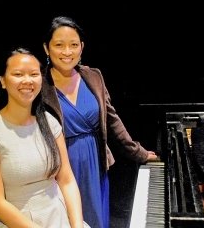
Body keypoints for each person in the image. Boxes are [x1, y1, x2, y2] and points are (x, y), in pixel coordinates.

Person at [41, 16, 158, 228]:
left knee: (96, 220)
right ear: (46, 49)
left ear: (82, 48)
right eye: (59, 45)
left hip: (95, 166)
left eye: (73, 45)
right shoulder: (39, 85)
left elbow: (113, 120)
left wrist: (138, 153)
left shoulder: (93, 76)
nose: (67, 52)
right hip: (60, 169)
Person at [0, 47, 88, 228]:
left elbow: (66, 180)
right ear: (3, 81)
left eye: (34, 74)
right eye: (18, 74)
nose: (27, 81)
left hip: (59, 217)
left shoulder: (50, 122)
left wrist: (77, 225)